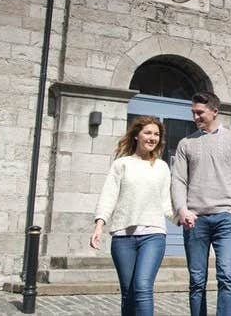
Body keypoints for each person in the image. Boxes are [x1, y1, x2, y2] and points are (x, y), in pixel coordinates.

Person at [171, 90, 231, 316]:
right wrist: (182, 209)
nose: (195, 117)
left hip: (225, 220)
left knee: (226, 276)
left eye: (200, 112)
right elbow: (178, 180)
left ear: (215, 111)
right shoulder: (185, 144)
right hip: (195, 220)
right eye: (193, 113)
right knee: (197, 281)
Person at [90, 116, 173, 316]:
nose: (152, 137)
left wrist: (183, 219)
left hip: (153, 235)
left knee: (142, 287)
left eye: (156, 134)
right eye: (148, 133)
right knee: (128, 293)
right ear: (137, 135)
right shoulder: (122, 164)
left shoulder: (161, 167)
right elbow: (109, 196)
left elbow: (166, 203)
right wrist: (99, 225)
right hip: (122, 237)